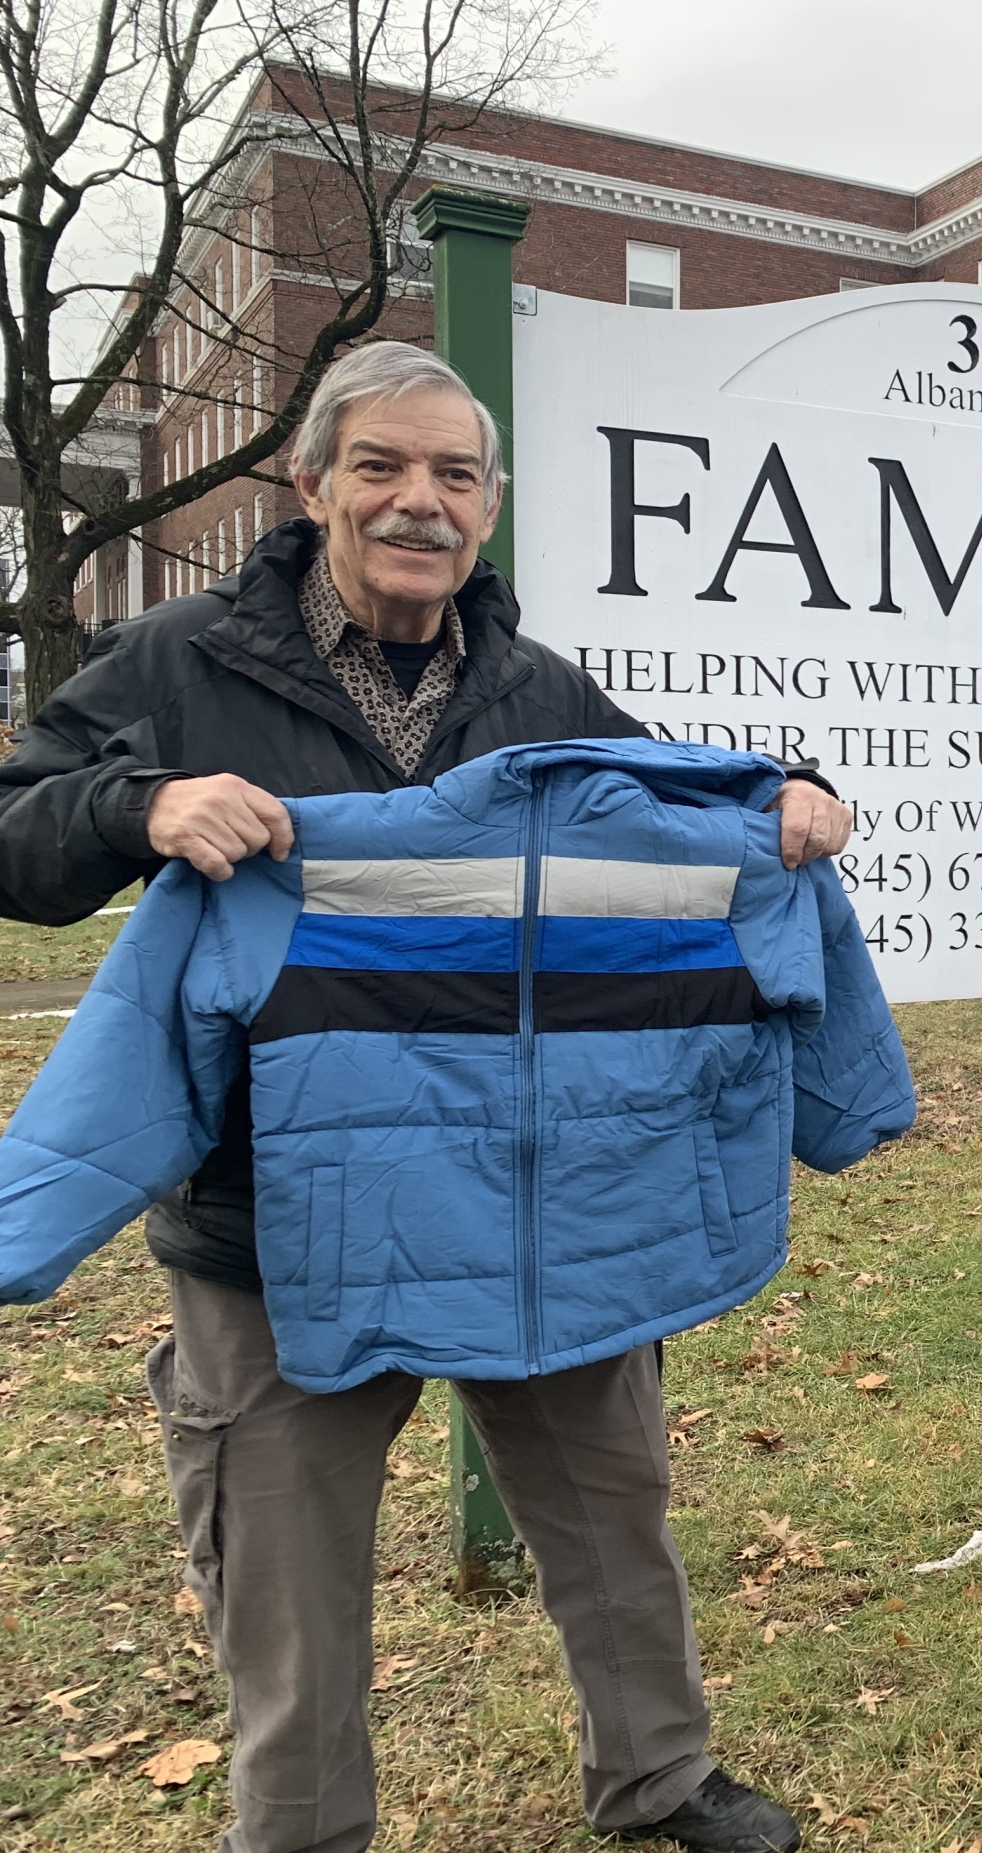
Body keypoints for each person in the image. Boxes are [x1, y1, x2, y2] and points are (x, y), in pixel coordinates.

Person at [0, 341, 855, 1852]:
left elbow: (681, 804)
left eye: (456, 475)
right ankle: (302, 1833)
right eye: (385, 468)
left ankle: (659, 1780)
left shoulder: (538, 690)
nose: (421, 503)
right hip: (279, 1236)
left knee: (613, 1516)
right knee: (287, 1580)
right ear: (313, 481)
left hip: (546, 1207)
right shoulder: (181, 666)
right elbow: (15, 830)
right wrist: (138, 807)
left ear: (490, 504)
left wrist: (784, 790)